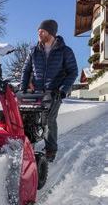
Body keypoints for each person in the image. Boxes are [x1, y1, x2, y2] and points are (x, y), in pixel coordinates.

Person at [20, 19, 78, 162]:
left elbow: (73, 72)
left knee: (48, 120)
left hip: (54, 93)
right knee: (29, 119)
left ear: (51, 32)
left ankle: (50, 150)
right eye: (38, 31)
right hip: (37, 92)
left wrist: (63, 90)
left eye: (42, 31)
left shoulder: (65, 51)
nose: (39, 34)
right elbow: (26, 70)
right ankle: (28, 147)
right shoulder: (33, 50)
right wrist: (22, 89)